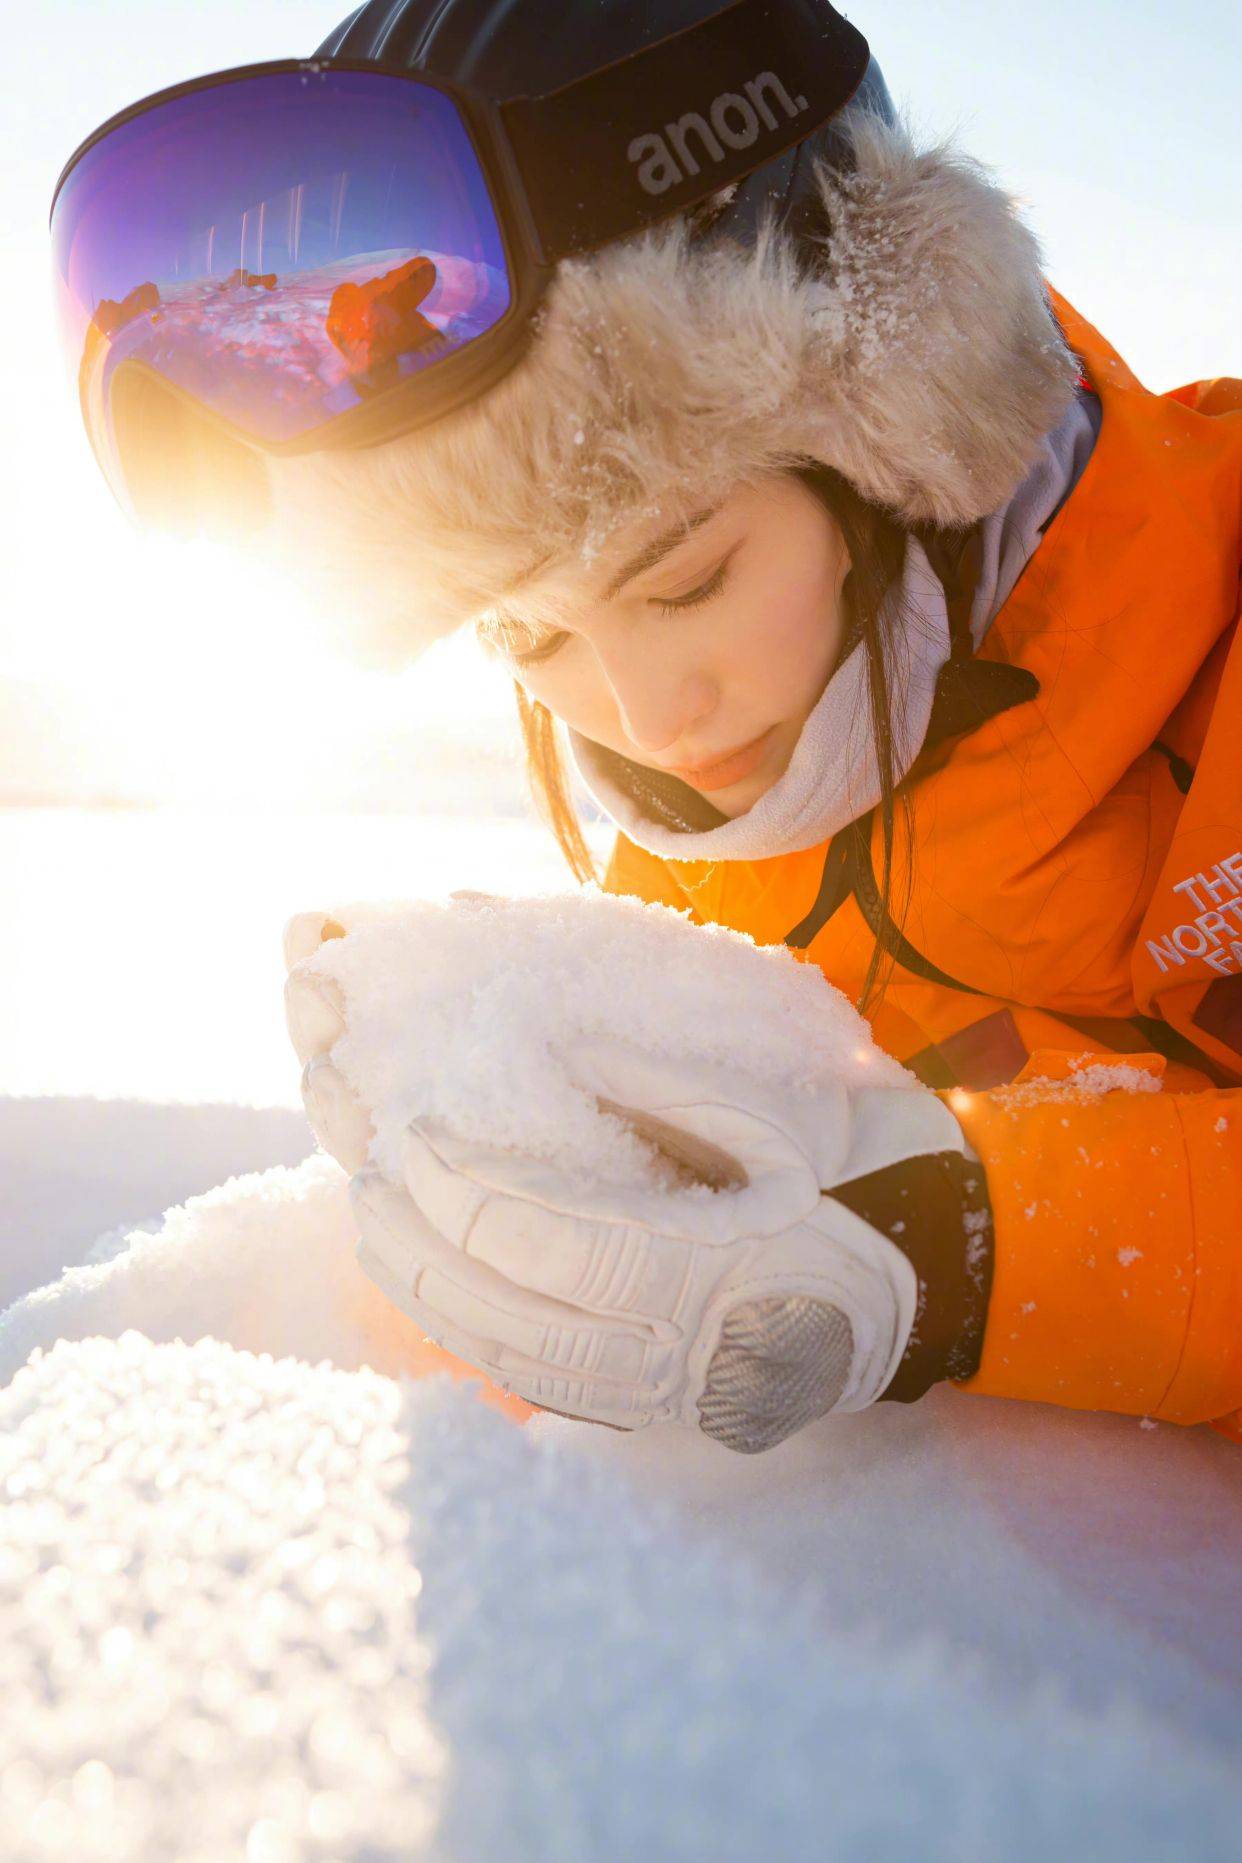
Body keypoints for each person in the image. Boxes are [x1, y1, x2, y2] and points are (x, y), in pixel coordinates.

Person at [52, 0, 1241, 1450]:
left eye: (686, 578)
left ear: (903, 422)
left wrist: (966, 1255)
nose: (640, 719)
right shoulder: (702, 888)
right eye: (529, 634)